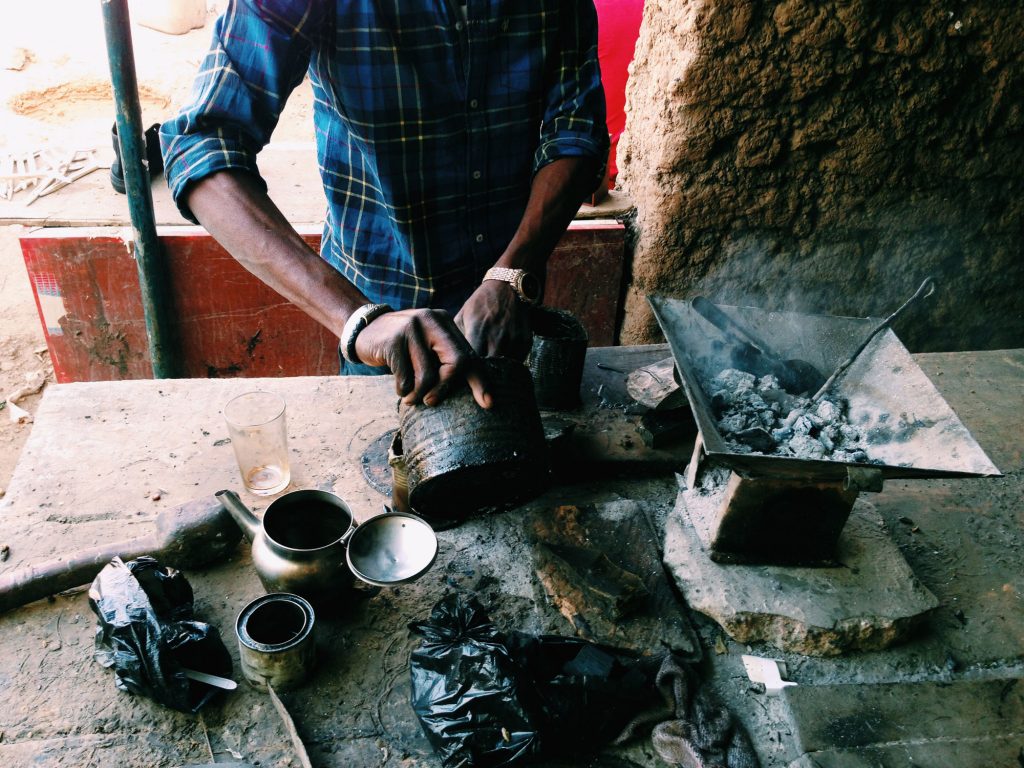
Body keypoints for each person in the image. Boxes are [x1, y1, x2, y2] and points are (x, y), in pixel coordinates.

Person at [160, 1, 608, 410]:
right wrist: (358, 319)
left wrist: (511, 273)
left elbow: (575, 129)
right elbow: (203, 146)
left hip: (511, 319)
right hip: (383, 325)